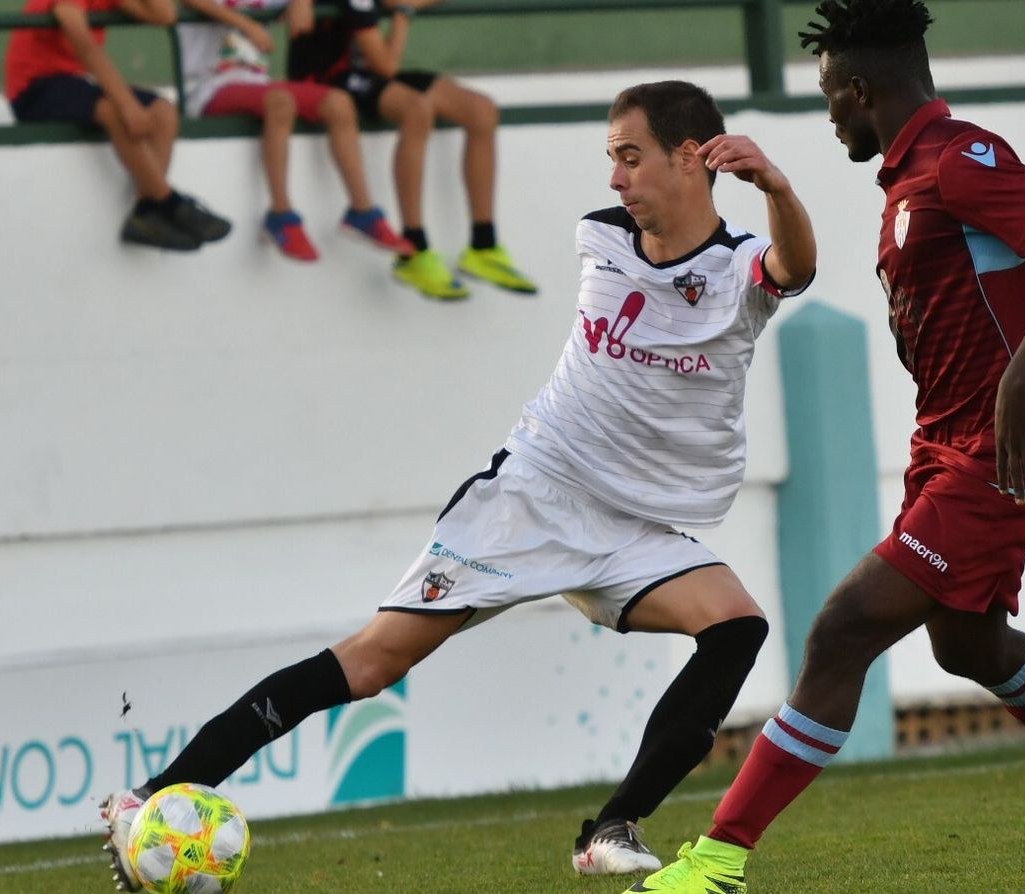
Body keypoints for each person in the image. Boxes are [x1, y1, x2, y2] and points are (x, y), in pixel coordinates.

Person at [98, 79, 817, 890]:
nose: (614, 178)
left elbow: (794, 265)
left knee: (736, 627)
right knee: (371, 664)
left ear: (692, 157)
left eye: (629, 156)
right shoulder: (601, 237)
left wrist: (781, 188)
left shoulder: (738, 270)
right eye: (609, 159)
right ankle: (151, 799)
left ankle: (612, 825)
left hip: (633, 526)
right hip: (530, 498)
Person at [626, 2, 1025, 891]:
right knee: (966, 645)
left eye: (829, 97)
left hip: (1008, 452)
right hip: (950, 447)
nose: (830, 115)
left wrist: (1013, 387)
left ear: (859, 88)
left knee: (843, 629)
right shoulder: (905, 180)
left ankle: (721, 858)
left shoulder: (963, 161)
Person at [285, 0, 536, 298]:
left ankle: (483, 246)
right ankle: (413, 249)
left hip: (369, 73)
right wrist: (404, 12)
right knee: (417, 109)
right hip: (327, 78)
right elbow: (387, 65)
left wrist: (405, 4)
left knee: (481, 110)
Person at [176, 0, 416, 261]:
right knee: (281, 101)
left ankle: (362, 211)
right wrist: (245, 24)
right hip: (207, 87)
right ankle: (281, 214)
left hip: (257, 84)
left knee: (338, 103)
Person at [4, 0, 232, 251]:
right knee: (115, 111)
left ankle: (146, 212)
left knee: (163, 111)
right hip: (34, 87)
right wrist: (126, 103)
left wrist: (126, 102)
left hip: (75, 82)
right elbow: (85, 45)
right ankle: (170, 202)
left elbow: (164, 14)